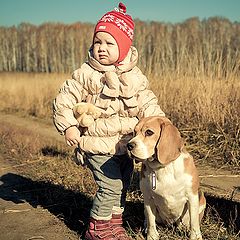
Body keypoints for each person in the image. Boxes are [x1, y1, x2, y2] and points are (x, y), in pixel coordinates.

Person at [53, 2, 165, 240]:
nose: (101, 48)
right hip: (97, 144)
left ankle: (114, 225)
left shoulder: (134, 77)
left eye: (109, 43)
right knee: (110, 186)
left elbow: (148, 102)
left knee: (123, 185)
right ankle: (97, 229)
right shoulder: (85, 73)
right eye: (97, 42)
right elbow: (64, 98)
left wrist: (160, 123)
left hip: (125, 144)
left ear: (124, 48)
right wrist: (69, 126)